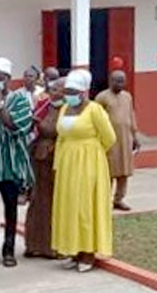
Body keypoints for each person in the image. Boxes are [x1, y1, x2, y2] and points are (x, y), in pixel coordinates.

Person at [52, 70, 116, 272]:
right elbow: (61, 137)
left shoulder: (95, 110)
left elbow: (109, 138)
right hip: (67, 163)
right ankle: (73, 249)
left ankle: (88, 253)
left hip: (89, 162)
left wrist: (91, 153)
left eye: (72, 91)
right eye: (67, 91)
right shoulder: (64, 109)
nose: (68, 95)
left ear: (83, 92)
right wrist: (58, 164)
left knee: (85, 205)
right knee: (69, 204)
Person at [0, 57, 34, 267]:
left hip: (10, 164)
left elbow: (15, 127)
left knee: (10, 209)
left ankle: (9, 250)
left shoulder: (19, 100)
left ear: (8, 79)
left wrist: (0, 104)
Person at [24, 77, 65, 259]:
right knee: (38, 200)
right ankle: (34, 244)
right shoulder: (44, 105)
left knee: (55, 202)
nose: (53, 92)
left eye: (58, 89)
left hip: (58, 159)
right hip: (40, 158)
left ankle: (53, 246)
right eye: (52, 88)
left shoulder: (69, 111)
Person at [95, 70, 140, 211]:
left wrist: (135, 136)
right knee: (108, 171)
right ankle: (104, 201)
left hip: (125, 139)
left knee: (124, 171)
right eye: (117, 80)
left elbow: (131, 115)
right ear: (110, 81)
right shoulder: (102, 97)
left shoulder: (127, 97)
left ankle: (119, 199)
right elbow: (96, 119)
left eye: (122, 80)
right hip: (109, 141)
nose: (120, 83)